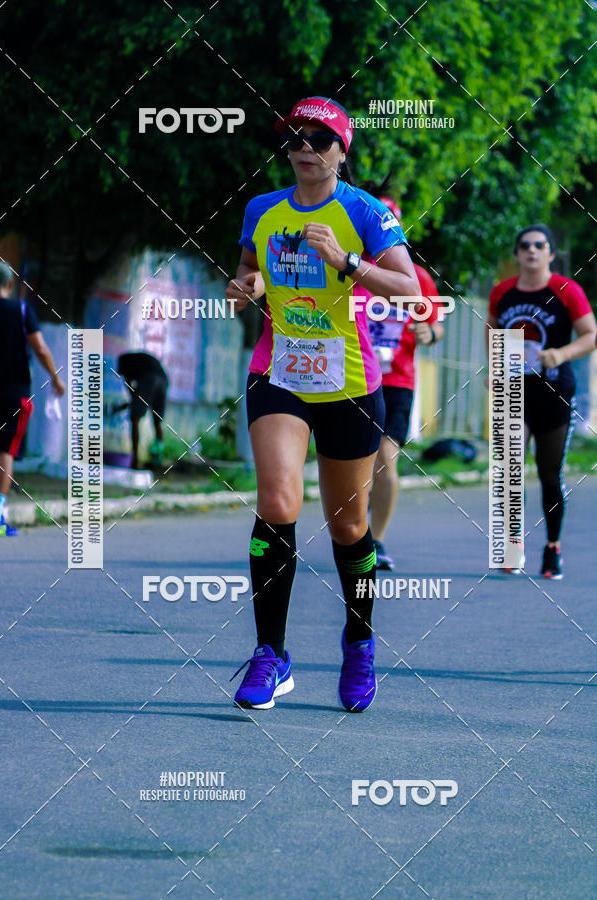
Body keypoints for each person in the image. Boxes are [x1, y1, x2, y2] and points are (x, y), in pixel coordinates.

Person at [225, 97, 420, 712]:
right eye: (295, 138)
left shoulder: (366, 211)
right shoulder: (262, 210)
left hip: (350, 383)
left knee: (347, 525)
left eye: (319, 138)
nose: (305, 147)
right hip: (278, 371)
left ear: (342, 150)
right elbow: (242, 285)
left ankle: (359, 644)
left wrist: (346, 262)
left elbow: (410, 290)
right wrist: (245, 289)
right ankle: (270, 655)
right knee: (278, 502)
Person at [486, 225, 596, 578]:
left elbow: (591, 334)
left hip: (553, 391)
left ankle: (552, 547)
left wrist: (561, 353)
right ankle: (512, 545)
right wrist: (493, 367)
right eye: (525, 246)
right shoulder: (502, 292)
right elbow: (491, 331)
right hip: (512, 392)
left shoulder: (566, 290)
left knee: (550, 473)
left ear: (550, 253)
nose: (532, 251)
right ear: (516, 254)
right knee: (510, 469)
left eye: (539, 245)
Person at [354, 196, 445, 570]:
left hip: (397, 379)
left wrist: (429, 334)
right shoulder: (352, 266)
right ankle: (354, 535)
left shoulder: (417, 276)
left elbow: (435, 325)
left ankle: (377, 539)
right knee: (353, 463)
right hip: (352, 374)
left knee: (384, 460)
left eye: (390, 220)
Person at [0, 261, 65, 536]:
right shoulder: (22, 310)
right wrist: (55, 377)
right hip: (14, 393)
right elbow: (40, 347)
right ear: (10, 284)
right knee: (4, 451)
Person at [115, 351, 169, 469]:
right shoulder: (135, 359)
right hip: (163, 379)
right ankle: (158, 459)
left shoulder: (123, 361)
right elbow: (137, 396)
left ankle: (135, 460)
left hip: (150, 377)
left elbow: (129, 384)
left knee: (135, 418)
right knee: (157, 421)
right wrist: (133, 403)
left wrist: (131, 404)